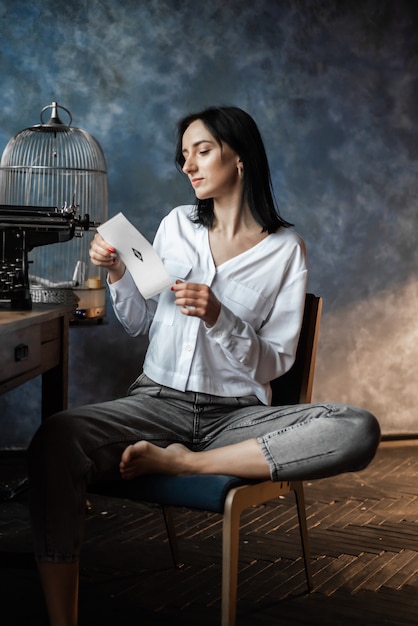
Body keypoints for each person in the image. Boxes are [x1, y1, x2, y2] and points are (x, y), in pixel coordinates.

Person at [27, 106, 380, 626]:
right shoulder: (174, 226)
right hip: (156, 403)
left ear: (240, 157)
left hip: (236, 417)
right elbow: (138, 321)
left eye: (203, 151)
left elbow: (277, 361)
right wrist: (122, 271)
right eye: (184, 155)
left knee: (358, 428)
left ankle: (184, 463)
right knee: (56, 437)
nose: (188, 165)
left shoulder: (285, 250)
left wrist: (221, 316)